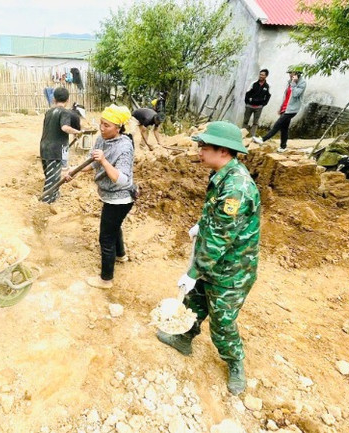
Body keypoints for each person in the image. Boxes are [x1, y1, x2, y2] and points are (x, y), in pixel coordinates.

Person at [156, 121, 260, 396]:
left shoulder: (237, 188)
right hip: (212, 262)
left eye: (203, 147)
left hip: (231, 270)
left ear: (223, 150)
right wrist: (202, 224)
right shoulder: (222, 175)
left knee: (222, 322)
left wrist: (193, 272)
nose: (198, 151)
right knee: (195, 303)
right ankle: (184, 339)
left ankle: (235, 362)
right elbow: (216, 219)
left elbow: (220, 240)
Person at [70, 105, 135, 289]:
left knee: (106, 238)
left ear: (118, 128)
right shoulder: (101, 139)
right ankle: (121, 255)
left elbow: (121, 179)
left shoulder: (124, 147)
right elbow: (92, 163)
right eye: (101, 124)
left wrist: (104, 160)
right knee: (114, 227)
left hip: (120, 198)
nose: (102, 128)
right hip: (108, 195)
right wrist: (73, 172)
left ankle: (106, 280)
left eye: (107, 125)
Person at [39, 87, 82, 203]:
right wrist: (77, 132)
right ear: (68, 100)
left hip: (44, 147)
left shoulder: (49, 112)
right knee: (52, 181)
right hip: (56, 150)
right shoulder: (65, 112)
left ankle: (54, 196)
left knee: (50, 176)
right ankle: (45, 203)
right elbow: (64, 127)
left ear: (54, 99)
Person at [253, 66, 307, 152]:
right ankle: (283, 147)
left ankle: (263, 139)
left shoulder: (302, 83)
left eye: (291, 73)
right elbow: (286, 96)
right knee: (284, 128)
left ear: (296, 73)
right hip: (285, 108)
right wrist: (281, 107)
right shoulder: (290, 82)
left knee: (277, 125)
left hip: (292, 109)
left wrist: (294, 83)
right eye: (289, 73)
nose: (290, 75)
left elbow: (296, 94)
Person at [242, 69, 271, 138]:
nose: (260, 76)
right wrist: (247, 103)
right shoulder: (254, 83)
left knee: (255, 123)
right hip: (249, 106)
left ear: (266, 76)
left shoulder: (267, 86)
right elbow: (247, 93)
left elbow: (268, 96)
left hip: (258, 107)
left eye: (262, 75)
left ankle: (252, 136)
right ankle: (242, 135)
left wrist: (263, 104)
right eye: (260, 74)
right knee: (245, 121)